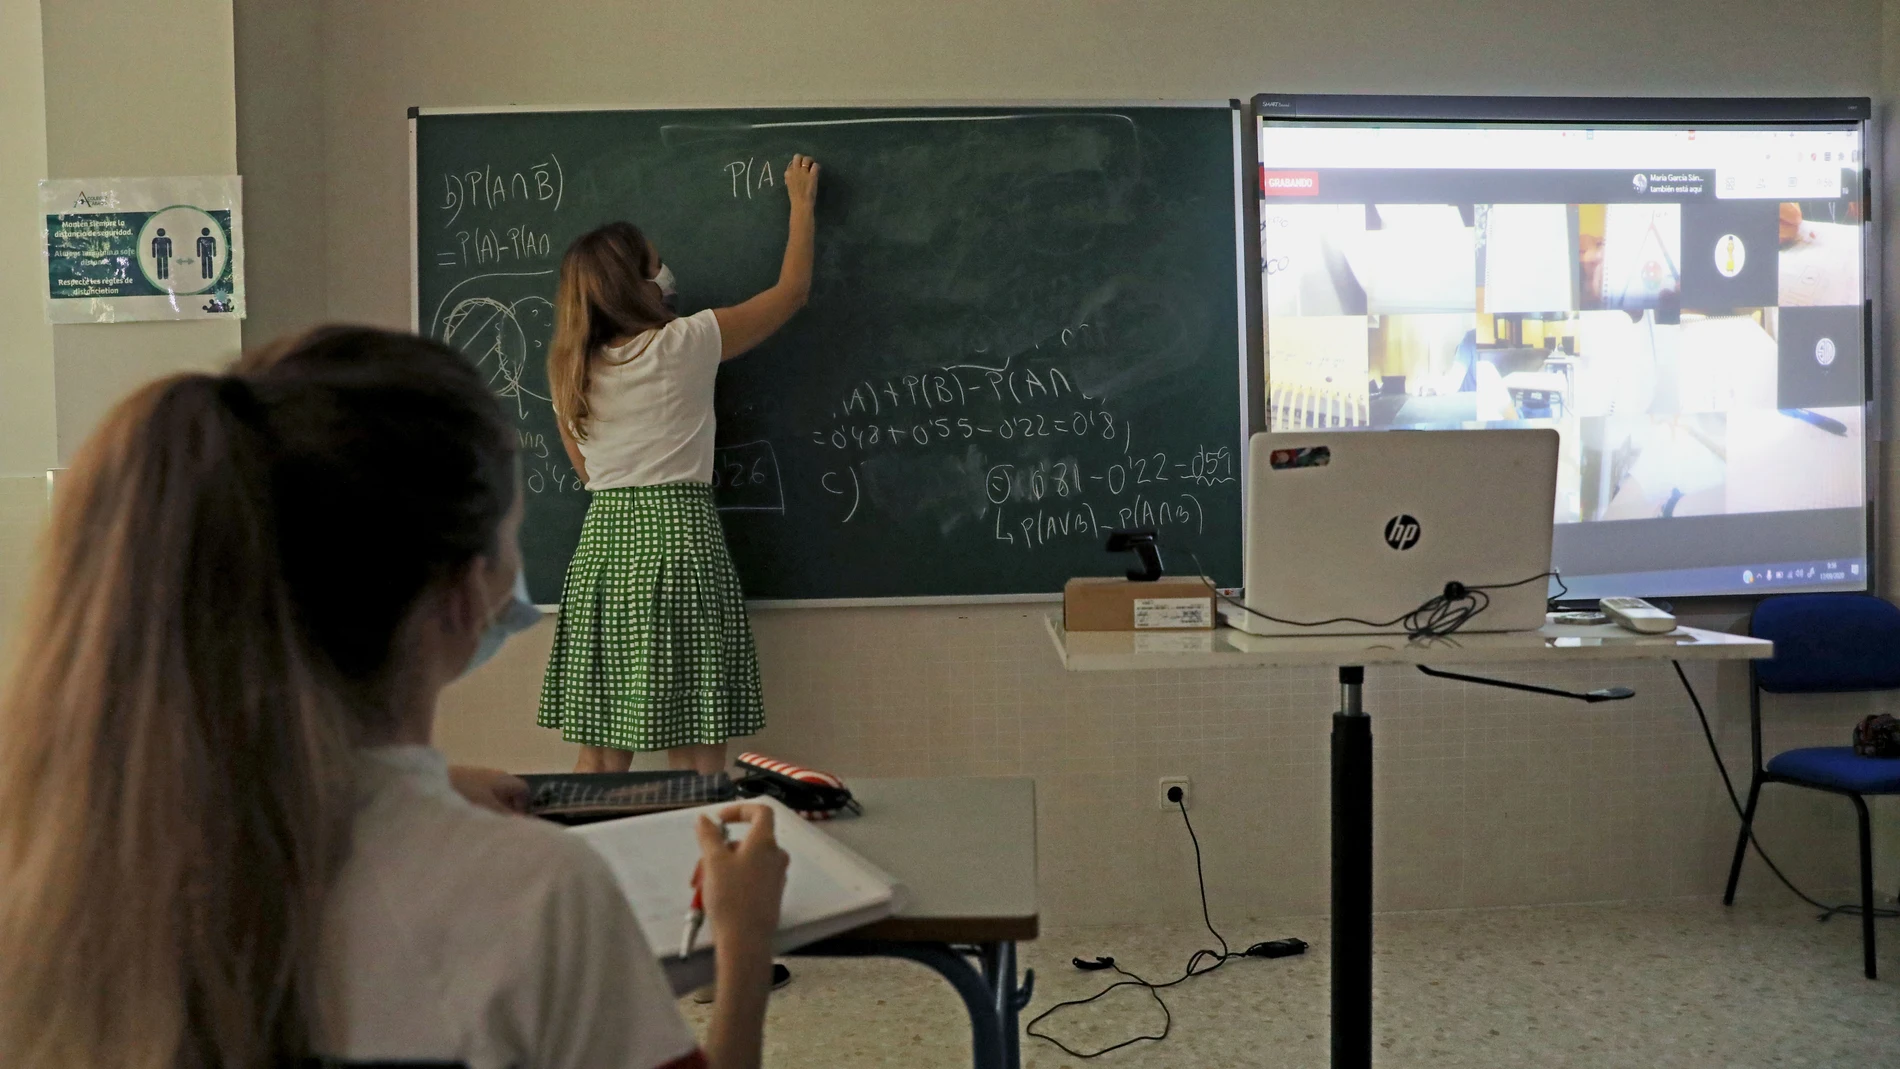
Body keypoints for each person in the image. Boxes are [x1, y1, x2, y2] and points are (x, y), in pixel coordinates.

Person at [0, 327, 789, 1069]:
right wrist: (744, 947)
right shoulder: (541, 895)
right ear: (458, 593)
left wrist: (406, 791)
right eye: (509, 535)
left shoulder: (70, 868)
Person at [539, 154, 819, 777]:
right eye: (655, 264)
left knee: (601, 754)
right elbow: (792, 293)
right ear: (635, 283)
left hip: (604, 553)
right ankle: (704, 868)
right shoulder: (683, 343)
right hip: (678, 542)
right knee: (696, 754)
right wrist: (800, 205)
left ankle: (592, 871)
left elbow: (587, 474)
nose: (666, 274)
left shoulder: (568, 370)